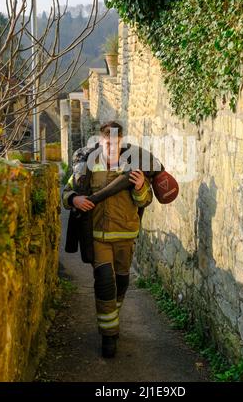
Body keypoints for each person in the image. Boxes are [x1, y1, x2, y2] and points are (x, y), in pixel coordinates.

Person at [62, 121, 153, 358]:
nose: (111, 146)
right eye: (107, 142)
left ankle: (111, 316)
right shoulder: (87, 167)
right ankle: (109, 336)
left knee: (121, 283)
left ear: (121, 142)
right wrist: (74, 200)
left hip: (126, 236)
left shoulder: (133, 166)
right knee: (104, 282)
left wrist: (141, 185)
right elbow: (66, 192)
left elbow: (145, 200)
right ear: (100, 141)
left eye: (116, 142)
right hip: (98, 237)